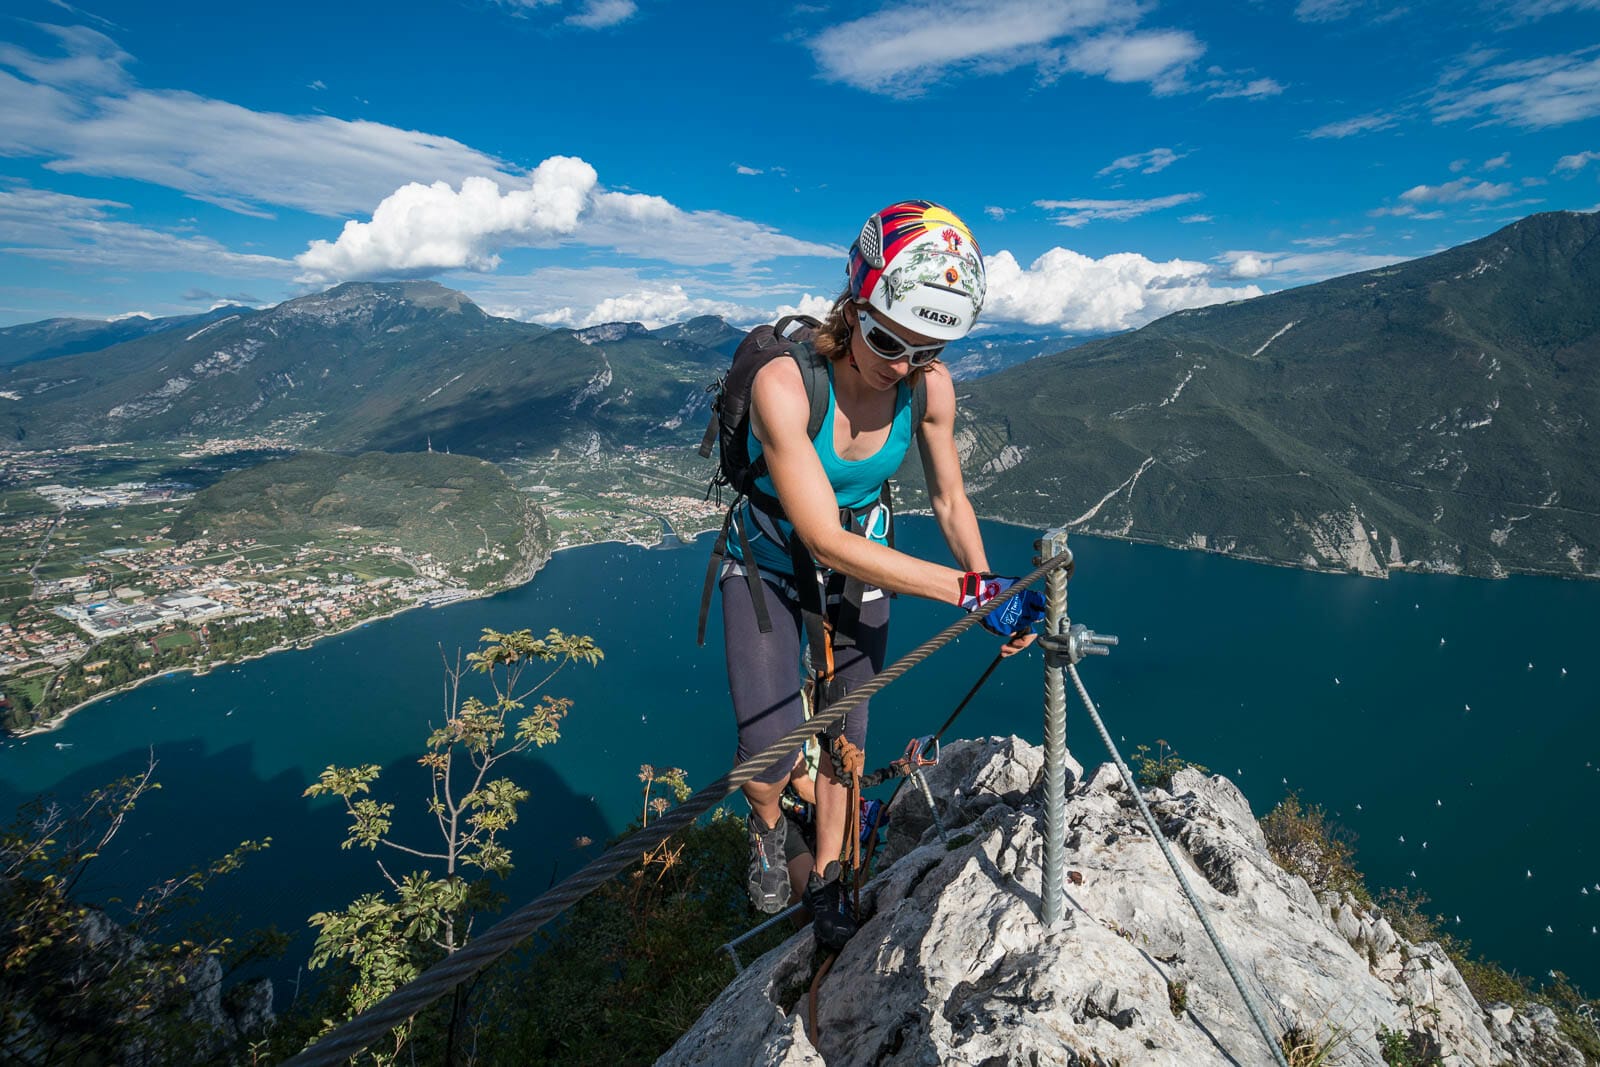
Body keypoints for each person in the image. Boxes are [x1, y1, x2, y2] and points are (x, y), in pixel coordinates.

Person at [718, 199, 1048, 952]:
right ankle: (768, 822)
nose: (901, 365)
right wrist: (969, 595)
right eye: (886, 339)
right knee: (766, 748)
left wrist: (989, 583)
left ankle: (830, 879)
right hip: (770, 557)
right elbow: (822, 538)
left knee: (847, 733)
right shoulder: (785, 384)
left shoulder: (927, 390)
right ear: (853, 303)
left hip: (861, 550)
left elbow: (950, 497)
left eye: (925, 351)